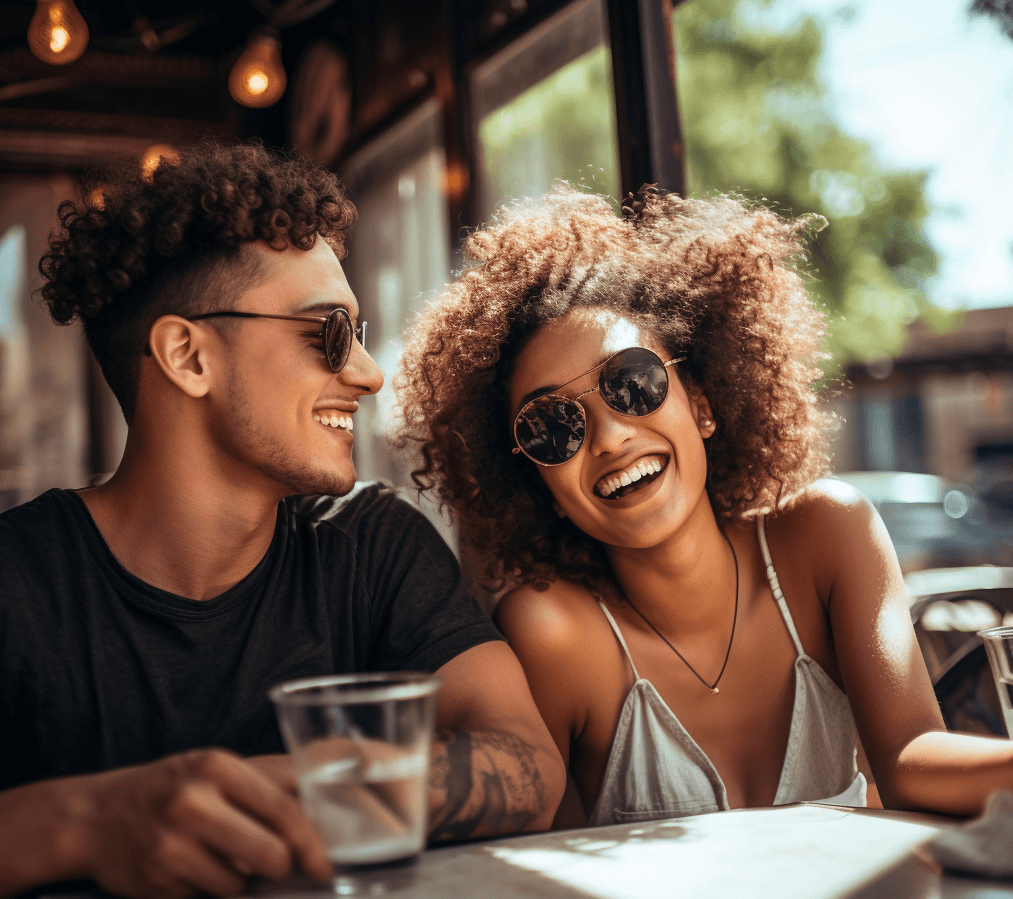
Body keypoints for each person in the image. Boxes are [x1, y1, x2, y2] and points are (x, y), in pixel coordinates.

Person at [0, 141, 564, 899]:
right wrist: (86, 822)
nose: (368, 373)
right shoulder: (10, 586)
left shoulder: (370, 544)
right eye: (330, 332)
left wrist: (290, 781)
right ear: (188, 356)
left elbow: (530, 764)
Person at [396, 183, 1013, 828]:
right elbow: (537, 874)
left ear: (702, 405)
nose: (609, 437)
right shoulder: (554, 633)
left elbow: (912, 758)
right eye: (553, 427)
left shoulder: (827, 536)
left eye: (633, 383)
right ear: (534, 483)